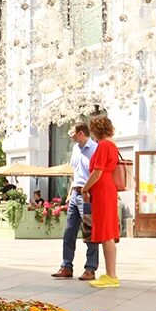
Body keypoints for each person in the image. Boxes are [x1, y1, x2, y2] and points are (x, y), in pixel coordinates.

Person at [51, 123, 101, 281]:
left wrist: (86, 190)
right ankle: (66, 266)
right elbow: (75, 172)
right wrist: (70, 192)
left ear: (80, 133)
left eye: (72, 132)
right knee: (69, 231)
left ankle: (90, 268)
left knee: (89, 233)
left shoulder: (95, 149)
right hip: (75, 193)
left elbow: (96, 173)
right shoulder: (75, 149)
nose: (69, 135)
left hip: (88, 194)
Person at [84, 114, 122, 288]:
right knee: (108, 233)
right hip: (108, 188)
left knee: (106, 233)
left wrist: (85, 188)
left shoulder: (103, 146)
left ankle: (111, 275)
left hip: (102, 189)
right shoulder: (112, 145)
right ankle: (110, 274)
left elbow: (97, 172)